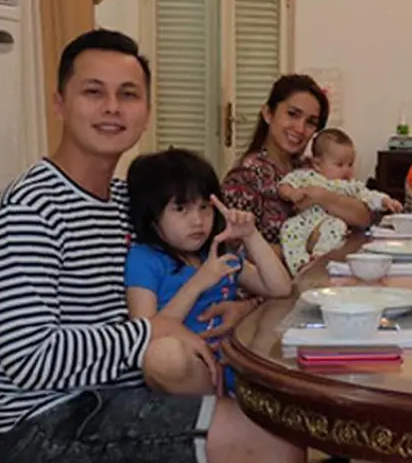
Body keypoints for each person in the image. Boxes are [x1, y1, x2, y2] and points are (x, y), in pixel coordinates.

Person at [0, 29, 332, 463]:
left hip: (116, 393)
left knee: (274, 416)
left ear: (145, 110)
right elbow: (28, 357)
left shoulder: (126, 201)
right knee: (271, 439)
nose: (112, 108)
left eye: (128, 94)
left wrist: (239, 304)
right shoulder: (30, 210)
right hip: (50, 423)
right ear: (60, 102)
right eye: (93, 92)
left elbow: (216, 273)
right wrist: (152, 331)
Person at [124, 148, 294, 396]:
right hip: (192, 372)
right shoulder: (145, 258)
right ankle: (219, 409)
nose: (197, 220)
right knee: (162, 355)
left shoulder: (215, 253)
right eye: (181, 209)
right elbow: (144, 333)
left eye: (205, 207)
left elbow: (280, 288)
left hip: (236, 363)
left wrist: (250, 235)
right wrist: (199, 282)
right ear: (152, 217)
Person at [222, 74, 371, 256]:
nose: (300, 129)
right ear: (268, 113)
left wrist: (322, 196)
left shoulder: (312, 168)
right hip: (280, 274)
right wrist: (305, 245)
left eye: (311, 122)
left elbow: (364, 217)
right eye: (292, 114)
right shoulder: (245, 178)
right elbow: (235, 251)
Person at [277, 128, 402, 272]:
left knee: (337, 228)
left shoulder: (349, 185)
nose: (347, 170)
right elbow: (284, 185)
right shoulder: (306, 176)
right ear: (317, 164)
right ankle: (299, 264)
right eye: (339, 165)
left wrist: (386, 201)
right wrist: (292, 193)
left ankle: (320, 257)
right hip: (304, 220)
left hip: (331, 221)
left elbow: (369, 195)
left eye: (350, 164)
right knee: (288, 229)